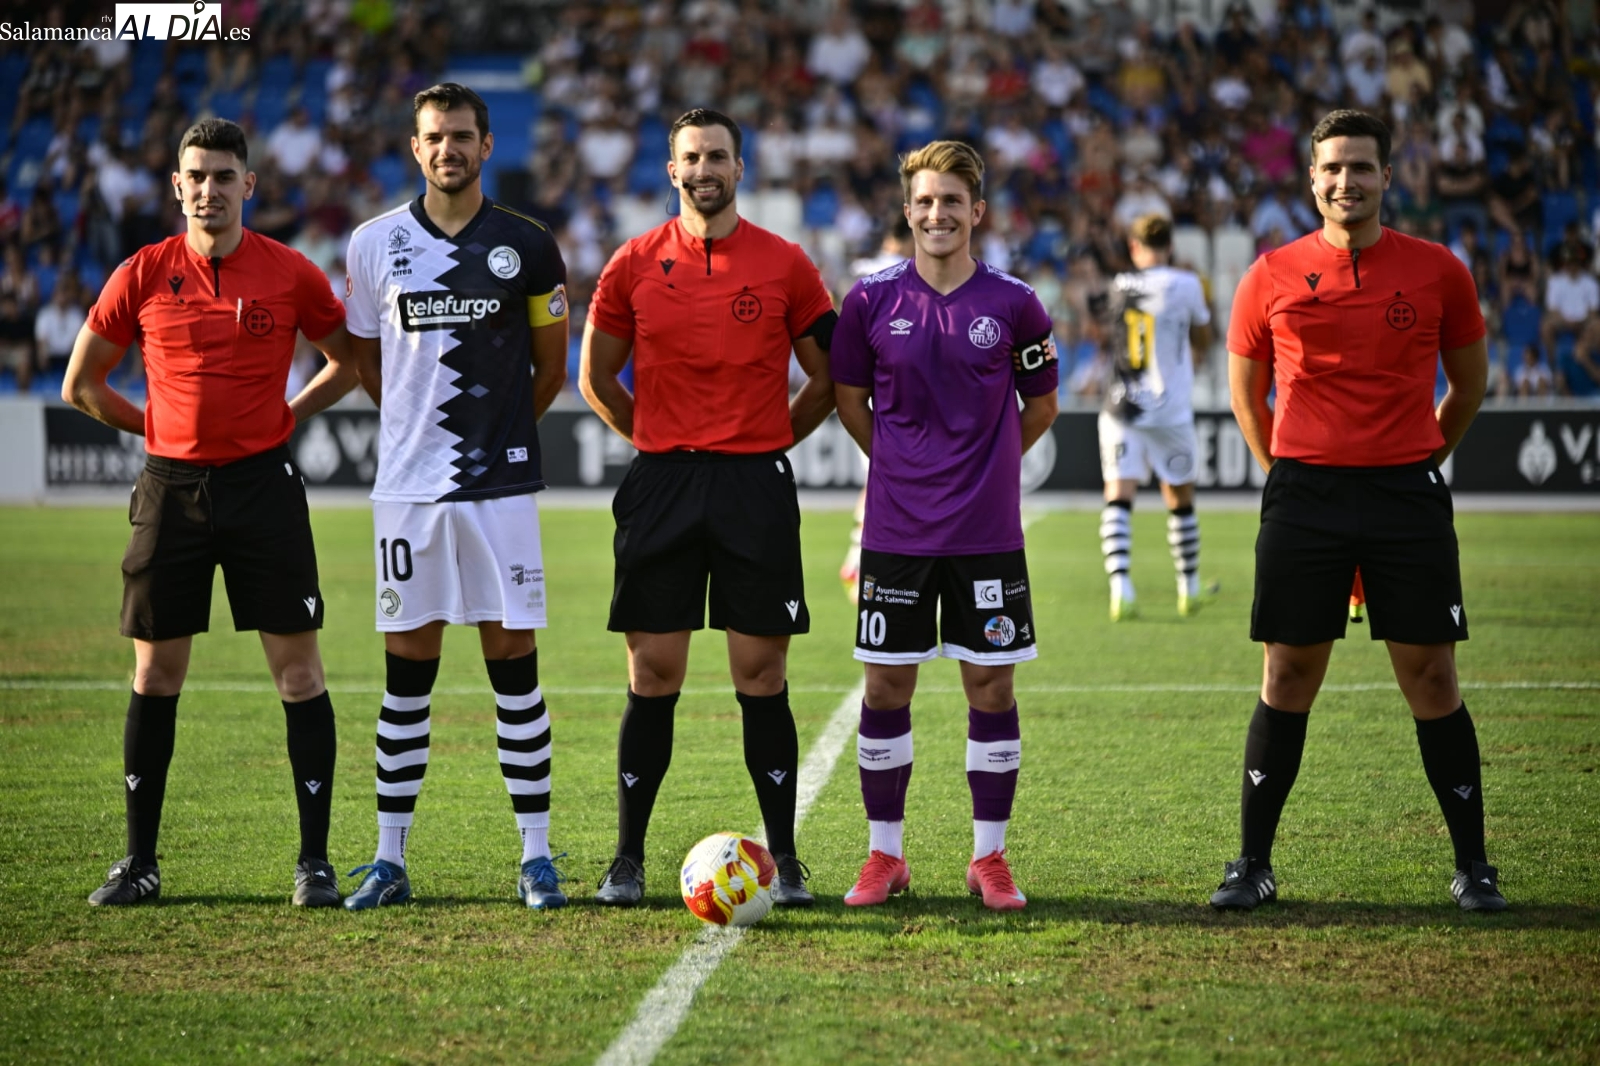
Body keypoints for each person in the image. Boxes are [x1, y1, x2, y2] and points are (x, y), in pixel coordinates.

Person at [62, 118, 357, 908]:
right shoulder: (143, 272)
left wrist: (290, 412)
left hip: (264, 488)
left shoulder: (290, 272)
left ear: (248, 186)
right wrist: (154, 428)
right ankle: (139, 864)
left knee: (299, 675)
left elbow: (349, 361)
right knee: (155, 673)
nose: (210, 188)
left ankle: (315, 864)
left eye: (225, 176)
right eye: (197, 175)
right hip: (170, 490)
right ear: (178, 186)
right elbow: (82, 385)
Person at [1215, 109, 1502, 912]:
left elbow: (1470, 385)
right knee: (1287, 672)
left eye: (1362, 168)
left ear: (1387, 177)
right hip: (1303, 495)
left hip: (1405, 494)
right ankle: (1251, 865)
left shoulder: (1439, 270)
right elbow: (1247, 396)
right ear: (1312, 180)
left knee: (1432, 677)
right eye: (1333, 168)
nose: (1347, 181)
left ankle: (1474, 868)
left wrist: (1417, 459)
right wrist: (1288, 475)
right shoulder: (1270, 272)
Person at [580, 108, 837, 908]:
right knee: (653, 672)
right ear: (671, 169)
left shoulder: (787, 264)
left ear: (739, 166)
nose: (705, 170)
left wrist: (763, 444)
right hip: (662, 484)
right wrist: (657, 440)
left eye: (718, 156)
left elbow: (828, 380)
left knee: (761, 674)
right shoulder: (632, 262)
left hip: (753, 487)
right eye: (691, 157)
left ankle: (786, 859)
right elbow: (596, 378)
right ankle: (627, 859)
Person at [341, 83, 571, 911]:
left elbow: (552, 368)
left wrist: (492, 436)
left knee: (516, 671)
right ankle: (389, 860)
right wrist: (417, 435)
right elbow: (367, 362)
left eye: (463, 136)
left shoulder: (528, 246)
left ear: (485, 147)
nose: (449, 149)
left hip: (499, 488)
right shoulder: (372, 245)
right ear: (415, 147)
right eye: (435, 137)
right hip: (407, 494)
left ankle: (537, 857)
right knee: (408, 677)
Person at [830, 140, 1060, 911]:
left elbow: (1044, 405)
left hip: (987, 535)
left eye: (952, 202)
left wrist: (987, 466)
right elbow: (851, 403)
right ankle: (883, 857)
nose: (938, 214)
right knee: (886, 685)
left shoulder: (1016, 304)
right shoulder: (868, 301)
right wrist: (902, 465)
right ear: (907, 210)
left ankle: (988, 859)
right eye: (925, 202)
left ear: (977, 212)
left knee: (991, 688)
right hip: (897, 534)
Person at [1093, 213, 1215, 621]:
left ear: (1134, 247)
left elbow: (1105, 332)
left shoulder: (1119, 285)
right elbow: (1204, 337)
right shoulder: (1186, 284)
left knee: (1118, 495)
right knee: (1180, 499)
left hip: (1121, 406)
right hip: (1170, 410)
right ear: (1171, 246)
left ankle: (1121, 590)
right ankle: (1190, 588)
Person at [840, 216, 915, 604]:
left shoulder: (861, 272)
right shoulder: (901, 273)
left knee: (878, 478)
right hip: (893, 393)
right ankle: (861, 562)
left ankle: (858, 559)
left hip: (863, 391)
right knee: (887, 482)